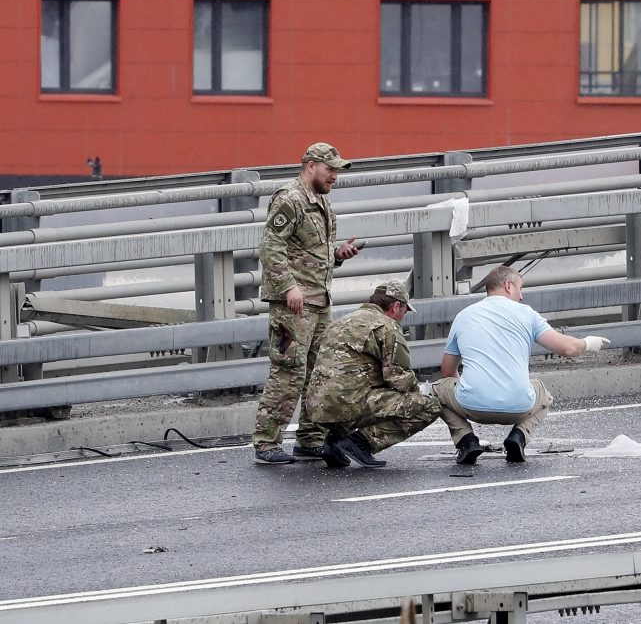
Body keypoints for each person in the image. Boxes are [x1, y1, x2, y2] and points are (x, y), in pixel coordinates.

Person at [252, 142, 362, 465]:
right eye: (330, 170)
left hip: (319, 300)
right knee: (289, 371)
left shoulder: (322, 201)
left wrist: (338, 255)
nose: (334, 177)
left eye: (337, 171)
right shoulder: (290, 199)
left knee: (318, 372)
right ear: (311, 165)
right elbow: (271, 247)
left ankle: (310, 439)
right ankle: (266, 442)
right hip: (294, 304)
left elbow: (310, 252)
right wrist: (288, 287)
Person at [434, 265, 610, 465]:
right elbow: (567, 348)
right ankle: (519, 436)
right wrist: (587, 343)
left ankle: (466, 440)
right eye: (520, 288)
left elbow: (447, 371)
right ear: (508, 286)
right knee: (542, 393)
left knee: (436, 390)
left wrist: (467, 392)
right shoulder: (527, 314)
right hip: (519, 406)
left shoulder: (464, 316)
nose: (521, 296)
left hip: (471, 405)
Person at [303, 280, 441, 468]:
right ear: (396, 306)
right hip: (348, 404)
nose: (404, 316)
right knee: (429, 405)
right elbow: (399, 379)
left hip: (316, 408)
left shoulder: (340, 322)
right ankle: (361, 444)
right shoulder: (387, 326)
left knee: (355, 388)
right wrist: (419, 391)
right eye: (405, 311)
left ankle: (332, 443)